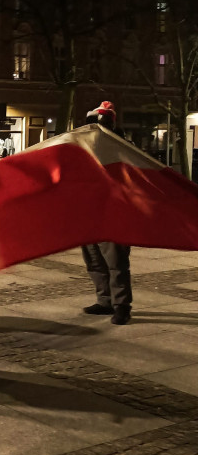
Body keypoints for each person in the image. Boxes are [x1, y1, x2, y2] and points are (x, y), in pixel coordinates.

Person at [81, 101, 133, 325]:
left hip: (113, 214)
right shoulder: (84, 147)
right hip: (88, 213)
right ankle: (105, 301)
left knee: (116, 262)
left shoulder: (121, 147)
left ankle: (121, 306)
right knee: (94, 260)